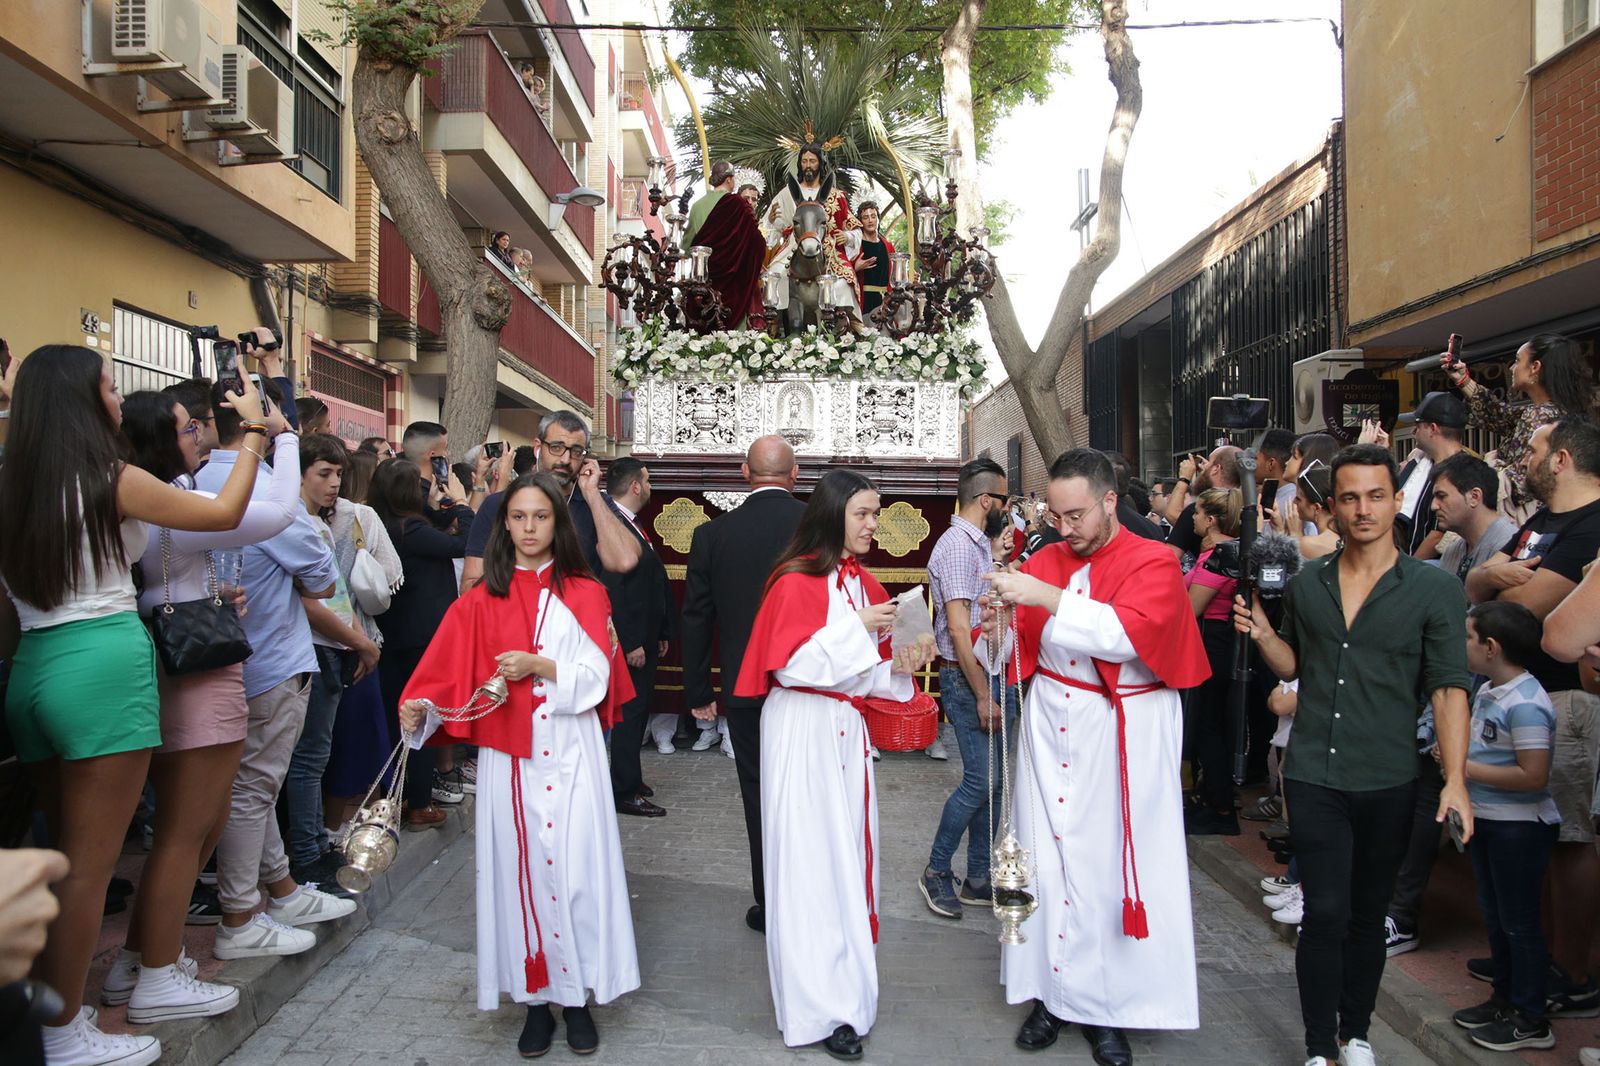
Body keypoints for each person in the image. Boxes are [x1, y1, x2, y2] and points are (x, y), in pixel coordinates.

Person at [0, 346, 272, 1066]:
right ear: (81, 402)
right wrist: (253, 436)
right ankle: (61, 1030)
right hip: (101, 663)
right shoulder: (110, 479)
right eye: (111, 387)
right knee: (90, 867)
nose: (119, 399)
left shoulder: (12, 483)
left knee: (63, 856)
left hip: (34, 667)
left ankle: (56, 1015)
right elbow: (223, 510)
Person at [1235, 443, 1473, 1066]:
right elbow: (1296, 665)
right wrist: (1264, 637)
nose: (1363, 509)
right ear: (1332, 508)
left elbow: (1449, 688)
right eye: (1349, 498)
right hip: (1315, 770)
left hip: (1391, 775)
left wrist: (1455, 781)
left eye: (1376, 496)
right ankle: (1319, 1048)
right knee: (1326, 913)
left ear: (1397, 501)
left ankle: (1356, 1034)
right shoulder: (1309, 582)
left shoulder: (1432, 589)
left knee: (1368, 914)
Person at [980, 448, 1210, 1066]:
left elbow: (1124, 635)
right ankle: (1048, 994)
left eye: (1077, 515)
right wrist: (997, 630)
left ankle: (1107, 1011)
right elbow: (1007, 653)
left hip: (1120, 727)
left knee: (1107, 869)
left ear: (1110, 501)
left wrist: (1043, 597)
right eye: (1056, 516)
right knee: (1047, 865)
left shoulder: (1153, 560)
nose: (1065, 529)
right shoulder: (1046, 559)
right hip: (1049, 723)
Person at [398, 472, 638, 1057]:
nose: (530, 528)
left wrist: (541, 666)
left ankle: (577, 998)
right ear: (504, 524)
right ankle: (535, 1001)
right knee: (519, 875)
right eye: (519, 517)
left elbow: (600, 678)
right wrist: (419, 710)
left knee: (578, 873)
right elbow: (445, 676)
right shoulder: (480, 601)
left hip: (573, 751)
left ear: (559, 523)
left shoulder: (585, 592)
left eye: (541, 517)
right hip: (512, 760)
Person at [107, 389, 299, 1023]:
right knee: (189, 833)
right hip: (196, 671)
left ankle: (139, 958)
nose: (200, 437)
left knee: (190, 829)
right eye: (190, 430)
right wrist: (269, 435)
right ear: (163, 442)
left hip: (181, 656)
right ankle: (156, 976)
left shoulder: (152, 501)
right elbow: (272, 513)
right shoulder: (166, 501)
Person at [733, 470, 933, 1059]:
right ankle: (814, 1008)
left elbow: (870, 676)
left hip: (846, 732)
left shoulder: (867, 584)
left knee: (847, 859)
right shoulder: (795, 580)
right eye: (864, 513)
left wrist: (906, 662)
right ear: (833, 514)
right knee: (807, 866)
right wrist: (857, 628)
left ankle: (847, 997)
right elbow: (790, 666)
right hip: (801, 725)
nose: (874, 523)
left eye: (877, 512)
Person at [192, 381, 357, 961]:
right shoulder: (260, 489)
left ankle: (280, 889)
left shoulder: (188, 485)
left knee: (251, 789)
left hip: (216, 658)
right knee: (253, 790)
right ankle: (242, 913)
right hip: (266, 660)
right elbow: (321, 577)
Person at [1465, 416, 1600, 1013]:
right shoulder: (1542, 522)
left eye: (1537, 449)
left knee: (1568, 838)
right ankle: (1529, 956)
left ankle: (1572, 974)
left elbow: (1524, 613)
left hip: (1567, 700)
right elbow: (1481, 591)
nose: (1527, 459)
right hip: (1517, 692)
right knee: (1527, 843)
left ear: (1564, 458)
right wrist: (1487, 577)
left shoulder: (1592, 523)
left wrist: (1493, 583)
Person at [1383, 453, 1518, 958]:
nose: (1433, 505)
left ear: (1474, 496)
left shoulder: (1508, 541)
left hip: (1485, 697)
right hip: (1447, 687)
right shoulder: (1460, 546)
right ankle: (1399, 911)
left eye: (1440, 496)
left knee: (1434, 803)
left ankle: (1404, 916)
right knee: (1419, 797)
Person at [680, 435, 807, 933]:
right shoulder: (814, 529)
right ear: (795, 473)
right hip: (808, 685)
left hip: (746, 686)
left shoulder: (714, 535)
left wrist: (698, 692)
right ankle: (809, 893)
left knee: (758, 790)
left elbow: (696, 618)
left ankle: (769, 899)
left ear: (743, 472)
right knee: (808, 790)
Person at [1447, 600, 1560, 1052]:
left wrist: (1464, 768)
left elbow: (1533, 776)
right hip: (1489, 820)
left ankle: (1532, 1017)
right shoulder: (1490, 689)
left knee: (1520, 923)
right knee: (1497, 918)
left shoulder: (1528, 703)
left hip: (1519, 828)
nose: (1463, 646)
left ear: (1491, 647)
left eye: (1468, 638)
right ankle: (1504, 999)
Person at [918, 457, 1018, 919]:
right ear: (986, 500)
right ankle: (937, 870)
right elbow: (959, 631)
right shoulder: (958, 547)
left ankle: (979, 876)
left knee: (993, 784)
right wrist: (983, 694)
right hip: (969, 676)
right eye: (1005, 501)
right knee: (981, 780)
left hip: (990, 670)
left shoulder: (977, 544)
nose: (1009, 510)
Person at [284, 435, 385, 887]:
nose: (334, 484)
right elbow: (311, 602)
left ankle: (312, 844)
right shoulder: (294, 523)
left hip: (333, 646)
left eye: (339, 474)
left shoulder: (318, 525)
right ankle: (305, 852)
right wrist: (359, 642)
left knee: (315, 756)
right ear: (298, 472)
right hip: (314, 649)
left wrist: (355, 640)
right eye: (323, 473)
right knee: (307, 759)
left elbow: (335, 597)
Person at [371, 458, 476, 829]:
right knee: (416, 722)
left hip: (393, 635)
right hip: (419, 639)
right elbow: (466, 541)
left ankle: (400, 799)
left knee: (396, 719)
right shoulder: (410, 529)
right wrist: (461, 505)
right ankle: (417, 803)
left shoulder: (381, 525)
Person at [321, 444, 405, 846]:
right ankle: (356, 827)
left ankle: (320, 829)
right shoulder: (362, 516)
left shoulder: (295, 516)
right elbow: (390, 573)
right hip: (357, 644)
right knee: (357, 741)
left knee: (320, 748)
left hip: (311, 643)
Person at [461, 411, 641, 594]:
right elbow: (469, 587)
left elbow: (623, 561)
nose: (565, 459)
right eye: (556, 447)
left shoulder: (596, 503)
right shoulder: (498, 503)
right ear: (538, 447)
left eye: (576, 452)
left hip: (578, 618)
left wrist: (592, 494)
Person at [1444, 333, 1594, 521]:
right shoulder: (1560, 413)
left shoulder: (1537, 416)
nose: (1512, 367)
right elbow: (1500, 416)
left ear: (1535, 368)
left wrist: (1490, 463)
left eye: (1517, 361)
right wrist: (1463, 380)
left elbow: (1517, 484)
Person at [602, 457, 677, 818]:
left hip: (647, 635)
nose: (649, 488)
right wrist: (631, 642)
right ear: (635, 486)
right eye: (647, 481)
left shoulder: (631, 523)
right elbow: (617, 591)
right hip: (630, 641)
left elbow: (651, 583)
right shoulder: (612, 524)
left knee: (638, 709)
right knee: (629, 715)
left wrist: (659, 630)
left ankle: (629, 775)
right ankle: (623, 790)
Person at [1183, 487, 1244, 836]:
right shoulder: (1215, 554)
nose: (1192, 518)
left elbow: (1192, 607)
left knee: (1209, 727)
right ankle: (1211, 798)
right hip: (1210, 643)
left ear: (1210, 520)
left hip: (1213, 644)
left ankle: (1220, 806)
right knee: (1208, 725)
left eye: (1197, 512)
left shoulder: (1222, 556)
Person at [679, 159, 767, 330]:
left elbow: (688, 246)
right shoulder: (738, 204)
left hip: (704, 284)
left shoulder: (697, 206)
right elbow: (757, 243)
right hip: (735, 284)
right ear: (729, 180)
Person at [1392, 391, 1470, 557]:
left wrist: (1409, 572)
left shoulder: (1459, 471)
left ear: (1433, 429)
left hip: (1429, 571)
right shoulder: (1425, 464)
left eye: (1418, 426)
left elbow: (1438, 536)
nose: (1414, 432)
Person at [1165, 445, 1241, 561]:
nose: (1203, 465)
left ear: (1216, 469)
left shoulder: (1204, 508)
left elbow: (1170, 556)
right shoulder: (1247, 506)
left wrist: (1185, 478)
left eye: (1208, 462)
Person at [849, 200, 894, 317]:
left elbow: (893, 275)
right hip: (863, 300)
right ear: (860, 221)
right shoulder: (856, 245)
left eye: (873, 216)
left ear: (878, 219)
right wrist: (855, 268)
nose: (870, 220)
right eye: (865, 217)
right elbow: (842, 270)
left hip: (885, 301)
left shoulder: (888, 246)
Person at [1293, 463, 1341, 560]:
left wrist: (1295, 534)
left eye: (1298, 499)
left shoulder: (1308, 544)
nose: (1294, 502)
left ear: (1316, 508)